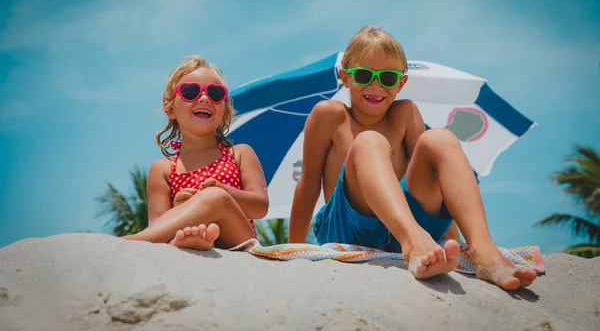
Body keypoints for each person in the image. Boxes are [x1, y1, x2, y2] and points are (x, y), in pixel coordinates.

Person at [288, 25, 537, 290]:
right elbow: (309, 182)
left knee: (440, 138)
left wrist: (453, 241)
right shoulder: (331, 115)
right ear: (345, 77)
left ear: (401, 83)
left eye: (387, 78)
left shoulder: (405, 114)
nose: (375, 85)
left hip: (407, 228)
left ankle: (484, 252)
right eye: (363, 75)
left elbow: (436, 179)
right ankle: (413, 240)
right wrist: (293, 250)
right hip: (347, 228)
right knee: (369, 141)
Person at [124, 56, 269, 250]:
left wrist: (223, 190)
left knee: (216, 198)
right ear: (170, 110)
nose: (204, 98)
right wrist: (181, 208)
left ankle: (132, 242)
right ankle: (194, 239)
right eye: (190, 92)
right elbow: (157, 225)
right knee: (190, 223)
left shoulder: (239, 154)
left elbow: (260, 207)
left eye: (215, 93)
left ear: (224, 111)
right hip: (190, 234)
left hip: (241, 242)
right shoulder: (163, 169)